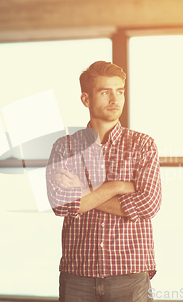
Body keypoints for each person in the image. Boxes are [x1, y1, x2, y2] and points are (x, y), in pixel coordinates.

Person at [46, 61, 162, 301]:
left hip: (129, 273)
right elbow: (62, 205)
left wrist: (82, 189)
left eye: (119, 91)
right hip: (77, 275)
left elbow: (148, 204)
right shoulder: (64, 147)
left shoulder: (142, 145)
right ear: (85, 99)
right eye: (105, 92)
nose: (115, 99)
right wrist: (117, 187)